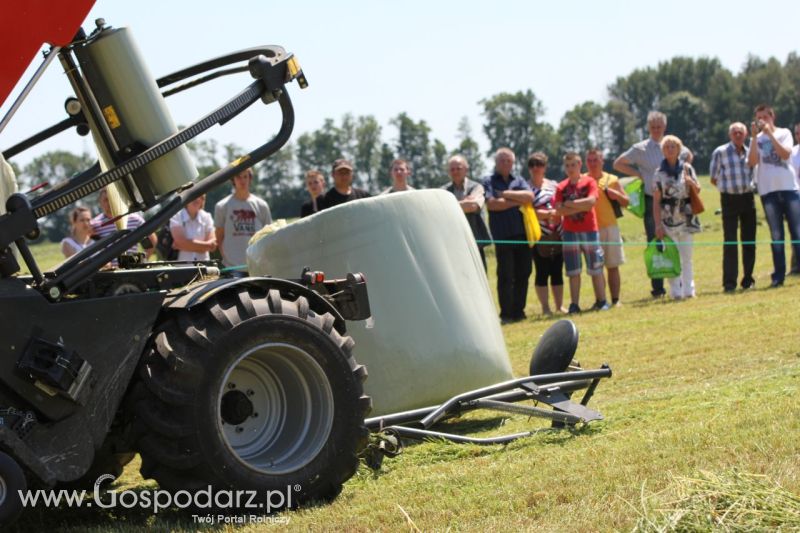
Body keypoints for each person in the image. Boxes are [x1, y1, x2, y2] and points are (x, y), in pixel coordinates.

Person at [613, 111, 692, 298]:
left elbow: (689, 156)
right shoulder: (640, 148)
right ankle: (658, 288)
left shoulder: (672, 144)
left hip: (676, 203)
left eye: (659, 127)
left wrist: (685, 172)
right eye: (653, 127)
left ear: (664, 127)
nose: (656, 130)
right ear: (648, 128)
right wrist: (639, 174)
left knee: (679, 244)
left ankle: (680, 284)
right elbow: (618, 163)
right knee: (656, 241)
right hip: (652, 201)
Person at [747, 104, 800, 288]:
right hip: (768, 191)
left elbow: (785, 155)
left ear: (772, 116)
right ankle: (778, 276)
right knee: (776, 235)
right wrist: (754, 138)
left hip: (789, 189)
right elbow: (752, 162)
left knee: (797, 232)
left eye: (764, 117)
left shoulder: (784, 133)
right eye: (758, 118)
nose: (762, 121)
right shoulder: (756, 139)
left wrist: (770, 135)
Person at [483, 147, 534, 323]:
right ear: (496, 163)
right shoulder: (488, 181)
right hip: (502, 235)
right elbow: (492, 205)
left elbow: (529, 196)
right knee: (505, 275)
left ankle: (519, 311)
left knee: (524, 272)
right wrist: (516, 201)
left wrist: (505, 195)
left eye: (508, 161)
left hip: (522, 234)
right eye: (502, 160)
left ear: (513, 163)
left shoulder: (518, 180)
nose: (505, 163)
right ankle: (506, 314)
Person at [554, 152, 608, 313]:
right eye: (567, 165)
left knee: (596, 267)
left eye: (573, 165)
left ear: (579, 165)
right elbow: (558, 209)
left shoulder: (589, 182)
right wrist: (578, 205)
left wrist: (570, 204)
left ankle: (602, 300)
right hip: (570, 232)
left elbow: (591, 202)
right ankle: (574, 304)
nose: (570, 168)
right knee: (573, 271)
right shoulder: (561, 187)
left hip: (590, 231)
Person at [653, 135, 702, 299]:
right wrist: (658, 224)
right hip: (668, 219)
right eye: (666, 147)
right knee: (672, 256)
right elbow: (656, 201)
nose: (670, 149)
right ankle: (676, 290)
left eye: (673, 146)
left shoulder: (687, 168)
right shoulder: (658, 173)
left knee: (687, 256)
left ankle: (689, 289)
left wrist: (691, 183)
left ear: (679, 149)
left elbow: (698, 189)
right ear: (663, 151)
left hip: (686, 216)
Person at [709, 122, 756, 291]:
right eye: (735, 132)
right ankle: (729, 282)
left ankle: (748, 279)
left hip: (747, 197)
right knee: (730, 241)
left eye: (741, 132)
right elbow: (713, 177)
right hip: (728, 199)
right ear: (730, 135)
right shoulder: (720, 152)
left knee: (749, 240)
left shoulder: (750, 151)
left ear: (745, 135)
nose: (738, 135)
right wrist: (726, 188)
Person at [586, 148, 628, 306]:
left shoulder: (612, 179)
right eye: (589, 160)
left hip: (610, 227)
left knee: (613, 265)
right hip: (590, 229)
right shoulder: (583, 179)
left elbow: (627, 202)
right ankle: (601, 300)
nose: (592, 163)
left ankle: (616, 300)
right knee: (596, 269)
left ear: (602, 161)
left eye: (595, 160)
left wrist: (616, 195)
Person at [526, 152, 565, 315]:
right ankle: (545, 308)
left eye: (539, 164)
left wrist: (556, 214)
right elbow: (528, 211)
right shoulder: (525, 187)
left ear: (545, 167)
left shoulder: (554, 185)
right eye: (532, 164)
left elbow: (560, 204)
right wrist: (548, 214)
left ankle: (559, 306)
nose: (536, 167)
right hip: (538, 234)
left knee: (557, 271)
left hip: (558, 233)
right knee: (541, 272)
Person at [214, 167, 272, 270]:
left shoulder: (262, 206)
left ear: (250, 179)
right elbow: (219, 236)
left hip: (257, 266)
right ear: (233, 180)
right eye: (238, 177)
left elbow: (269, 235)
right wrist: (226, 258)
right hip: (232, 267)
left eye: (245, 176)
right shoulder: (222, 206)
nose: (242, 180)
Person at [441, 154, 491, 271]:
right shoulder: (443, 190)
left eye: (458, 168)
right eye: (452, 169)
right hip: (453, 243)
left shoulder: (477, 187)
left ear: (466, 169)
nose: (455, 172)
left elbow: (473, 206)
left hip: (475, 242)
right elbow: (439, 208)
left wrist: (448, 205)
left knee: (480, 278)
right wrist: (465, 202)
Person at [91, 188, 157, 259]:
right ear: (100, 202)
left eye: (112, 199)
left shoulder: (134, 219)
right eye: (106, 200)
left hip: (129, 269)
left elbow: (152, 240)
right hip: (106, 269)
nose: (110, 202)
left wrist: (141, 260)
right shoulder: (94, 224)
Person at [170, 194, 216, 262]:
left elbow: (213, 245)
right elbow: (179, 242)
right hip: (182, 267)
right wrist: (205, 246)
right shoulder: (177, 216)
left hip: (204, 266)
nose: (196, 199)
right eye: (192, 196)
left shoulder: (207, 217)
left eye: (200, 197)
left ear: (203, 200)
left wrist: (184, 245)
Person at [789, 121, 800, 274]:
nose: (799, 136)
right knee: (797, 234)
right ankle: (796, 266)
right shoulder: (792, 152)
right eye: (797, 133)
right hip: (797, 197)